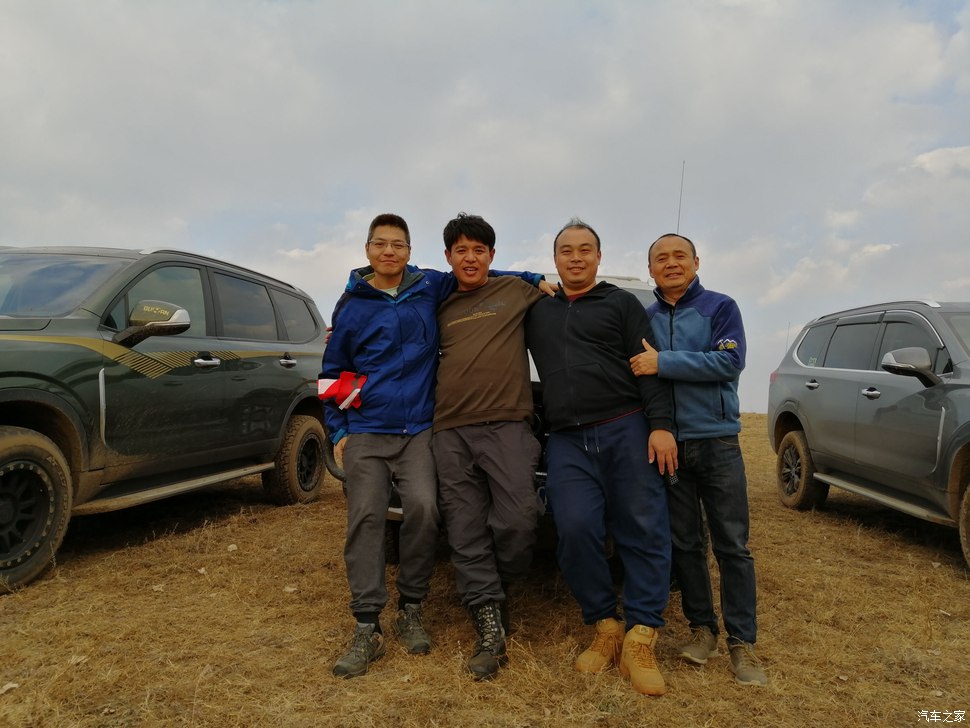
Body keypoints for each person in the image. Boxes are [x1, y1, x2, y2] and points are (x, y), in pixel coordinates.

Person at [321, 213, 546, 679]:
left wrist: (534, 277)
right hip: (369, 428)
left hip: (421, 428)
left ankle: (411, 605)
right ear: (367, 250)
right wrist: (339, 429)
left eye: (398, 245)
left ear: (409, 251)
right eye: (380, 244)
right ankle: (367, 625)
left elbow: (483, 273)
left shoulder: (428, 288)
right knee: (366, 517)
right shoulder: (351, 305)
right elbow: (332, 370)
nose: (389, 252)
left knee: (424, 510)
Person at [526, 218, 677, 697]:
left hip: (625, 427)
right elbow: (481, 275)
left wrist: (660, 426)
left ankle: (640, 635)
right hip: (567, 438)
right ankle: (605, 626)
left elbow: (649, 367)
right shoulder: (537, 310)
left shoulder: (622, 304)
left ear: (598, 257)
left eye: (585, 249)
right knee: (573, 528)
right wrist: (528, 280)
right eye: (566, 250)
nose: (575, 257)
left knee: (642, 527)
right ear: (554, 260)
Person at [630, 232, 768, 686]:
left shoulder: (719, 307)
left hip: (717, 441)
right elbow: (640, 377)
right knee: (685, 543)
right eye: (661, 259)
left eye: (679, 256)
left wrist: (664, 361)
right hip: (668, 446)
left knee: (732, 544)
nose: (671, 264)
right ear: (650, 269)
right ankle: (702, 629)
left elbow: (728, 363)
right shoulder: (645, 318)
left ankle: (742, 642)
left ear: (695, 261)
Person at [432, 213, 549, 680]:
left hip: (508, 426)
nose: (470, 257)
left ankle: (503, 585)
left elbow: (559, 293)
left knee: (518, 518)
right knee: (464, 527)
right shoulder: (435, 304)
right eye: (461, 250)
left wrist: (538, 277)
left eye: (479, 250)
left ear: (492, 256)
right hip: (449, 429)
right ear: (448, 258)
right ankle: (488, 621)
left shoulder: (516, 292)